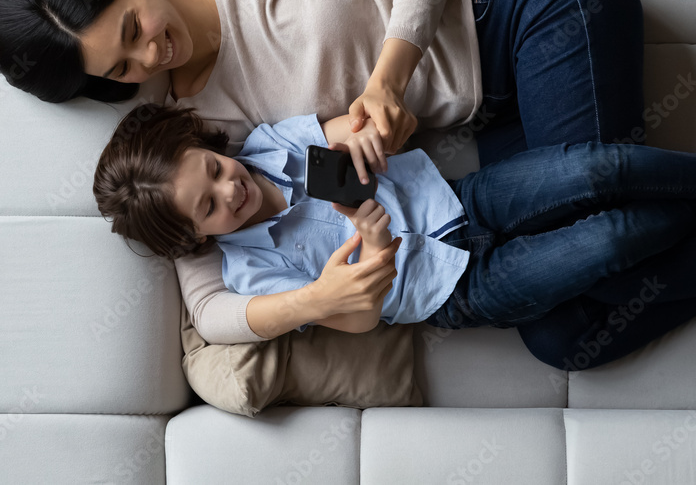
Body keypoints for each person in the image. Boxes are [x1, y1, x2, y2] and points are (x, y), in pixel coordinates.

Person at [0, 0, 660, 368]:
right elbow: (214, 307)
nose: (148, 56)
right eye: (121, 69)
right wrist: (315, 300)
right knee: (565, 334)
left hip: (520, 4)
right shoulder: (199, 130)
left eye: (130, 29)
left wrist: (388, 82)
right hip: (495, 109)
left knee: (601, 221)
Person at [93, 103, 696, 368]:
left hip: (463, 196)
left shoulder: (269, 146)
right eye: (209, 206)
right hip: (457, 290)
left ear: (209, 147)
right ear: (196, 238)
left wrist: (360, 136)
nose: (231, 189)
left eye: (216, 169)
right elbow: (356, 320)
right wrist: (374, 249)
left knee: (598, 169)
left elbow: (351, 128)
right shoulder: (249, 274)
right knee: (607, 241)